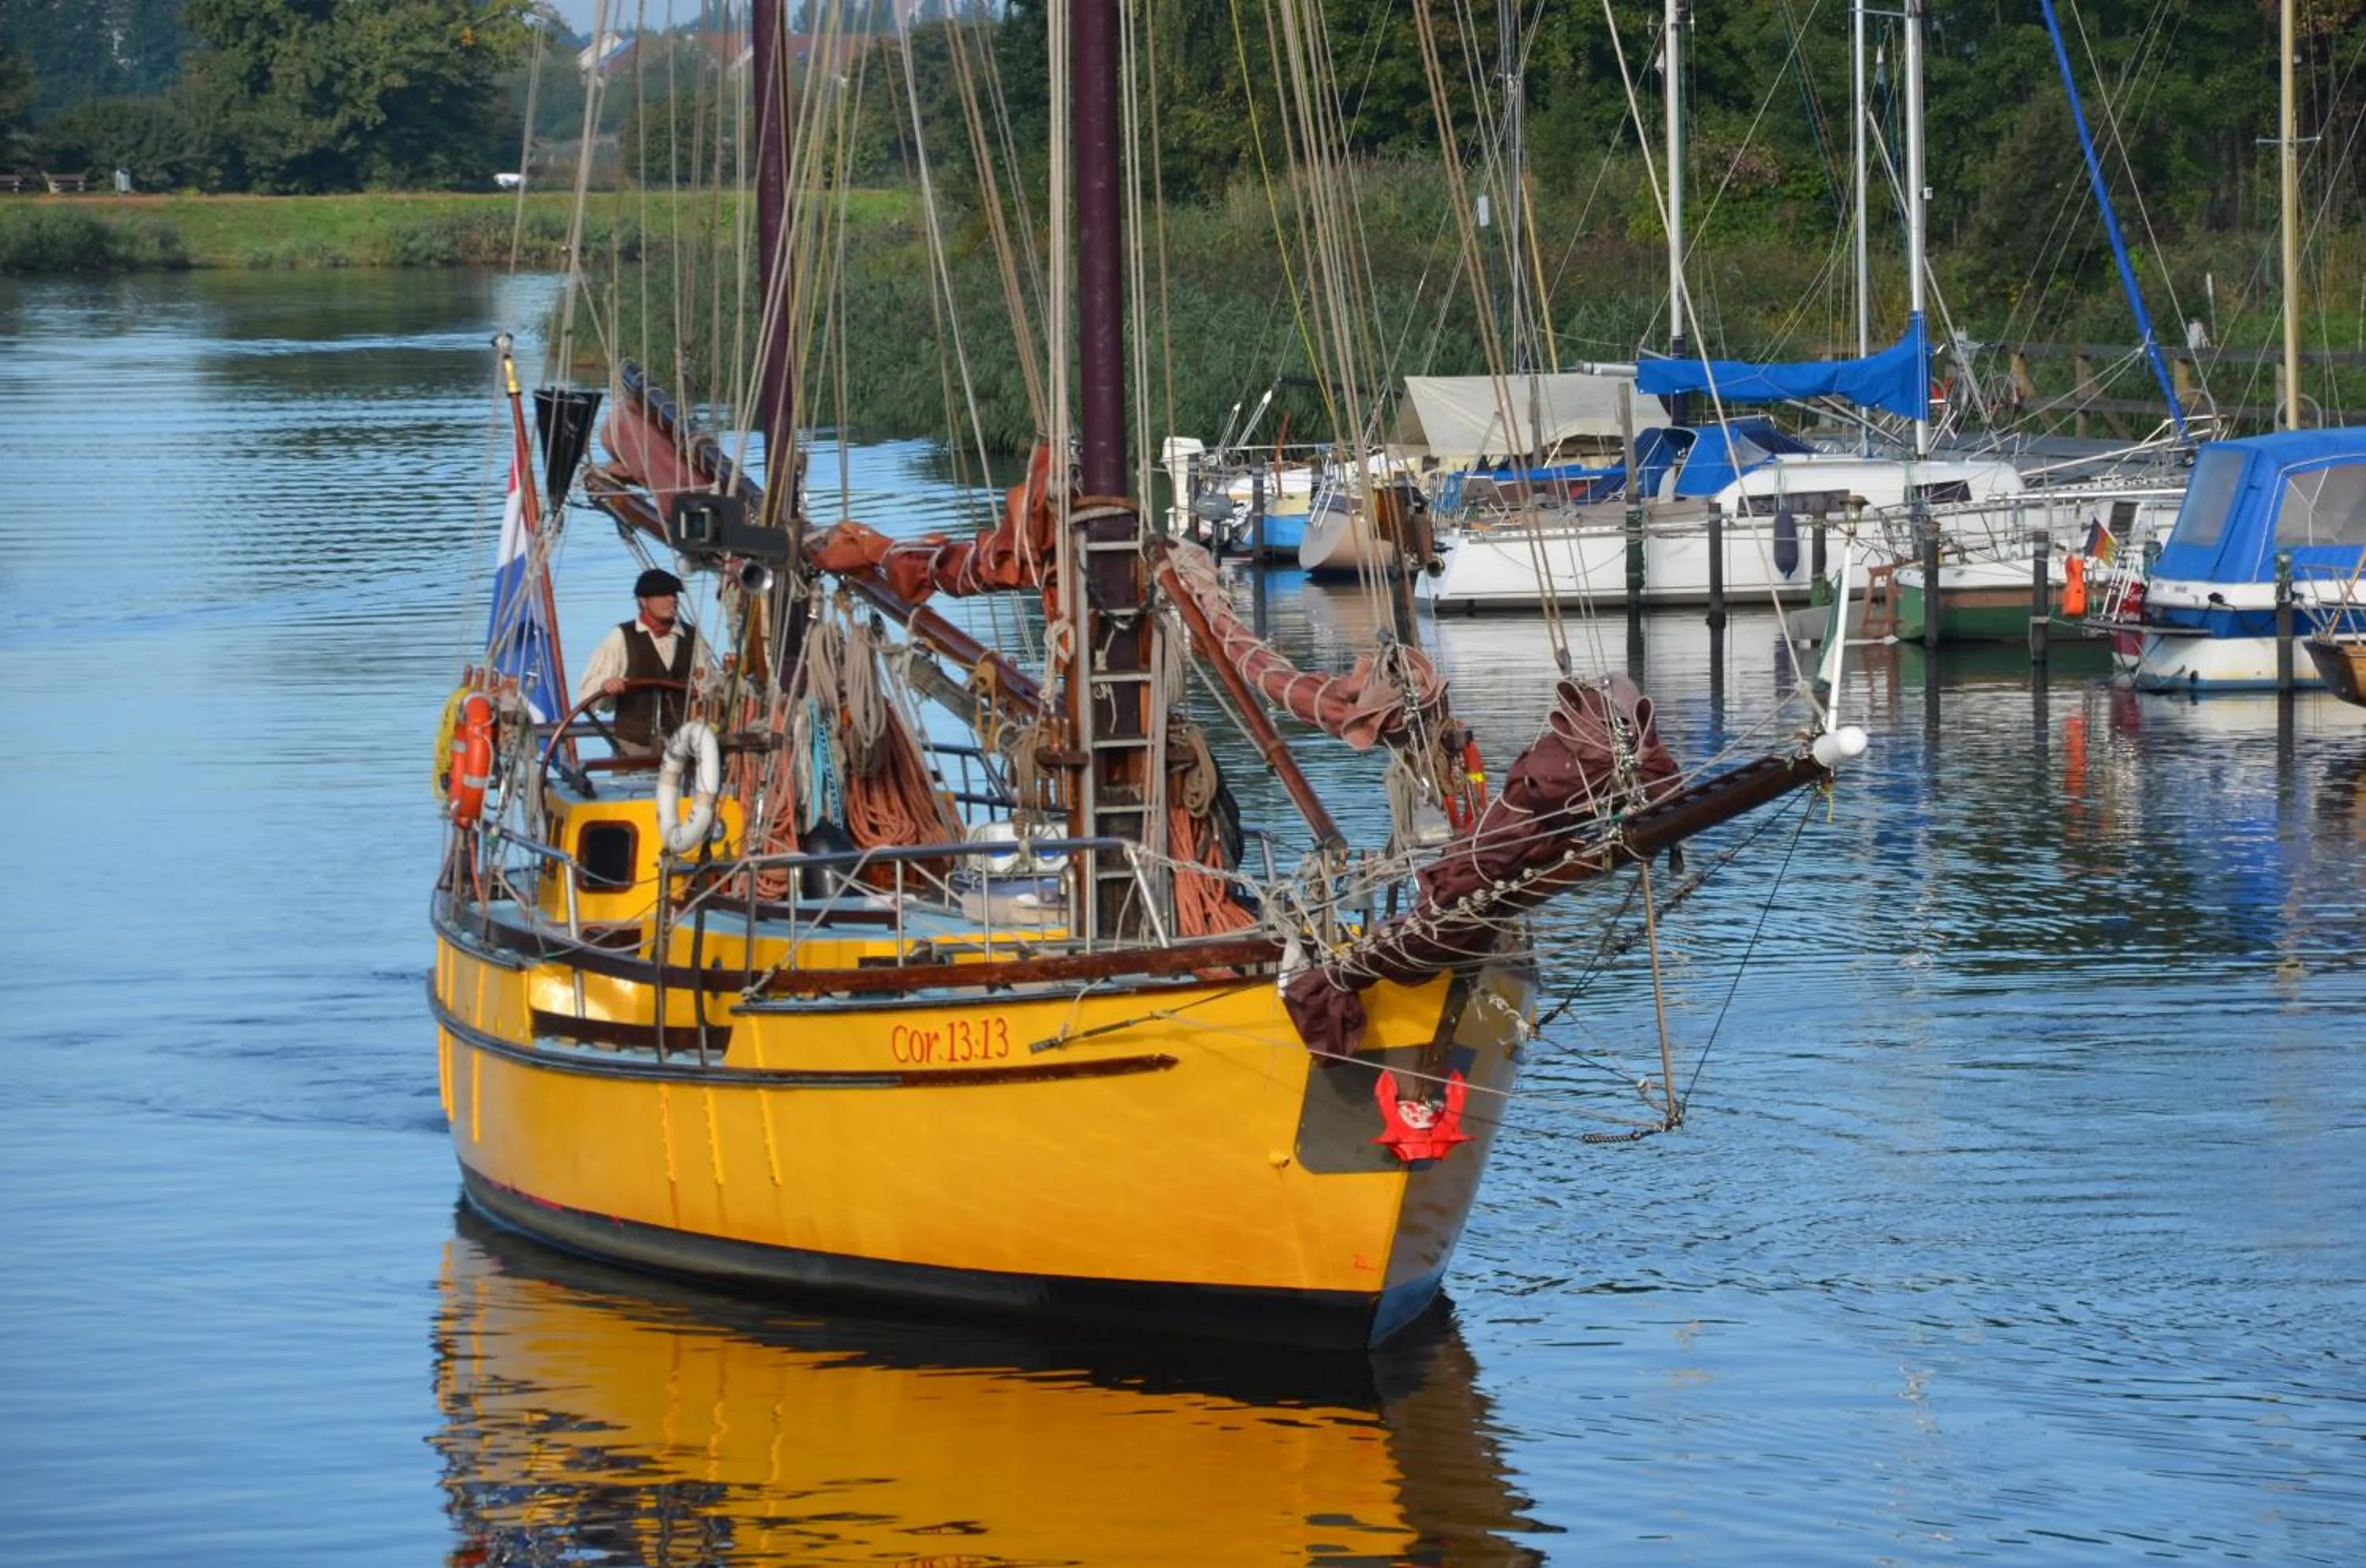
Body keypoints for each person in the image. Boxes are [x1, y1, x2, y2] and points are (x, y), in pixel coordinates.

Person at [576, 567, 712, 756]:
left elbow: (710, 687)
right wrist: (606, 685)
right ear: (643, 601)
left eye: (673, 595)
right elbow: (587, 694)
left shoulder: (692, 638)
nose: (671, 600)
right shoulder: (621, 637)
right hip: (633, 748)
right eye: (663, 595)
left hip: (683, 747)